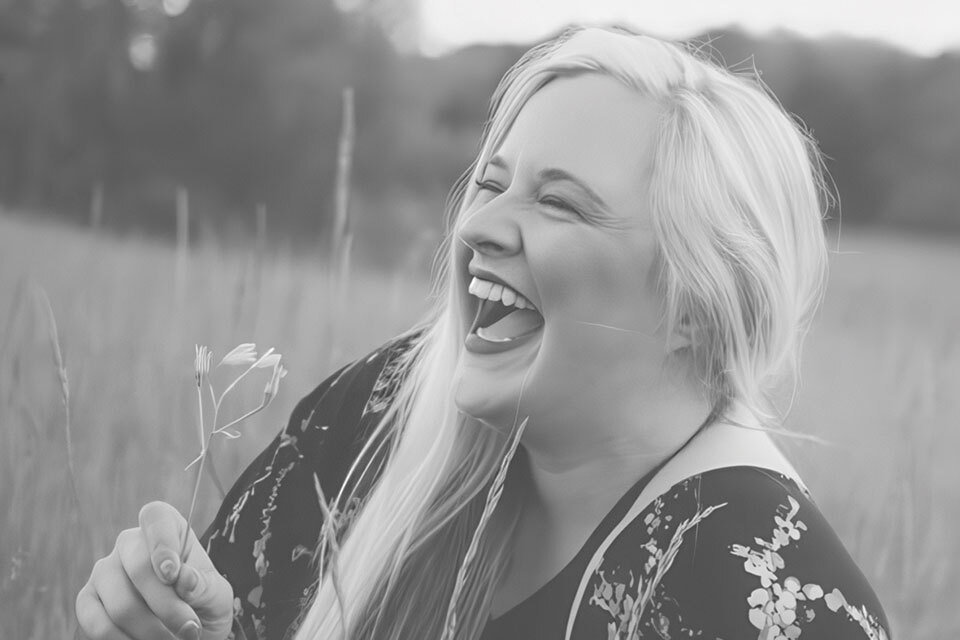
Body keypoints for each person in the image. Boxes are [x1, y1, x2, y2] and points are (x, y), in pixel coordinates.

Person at [76, 25, 892, 640]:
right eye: (492, 181)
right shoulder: (381, 412)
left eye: (560, 202)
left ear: (695, 308)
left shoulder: (772, 596)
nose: (481, 225)